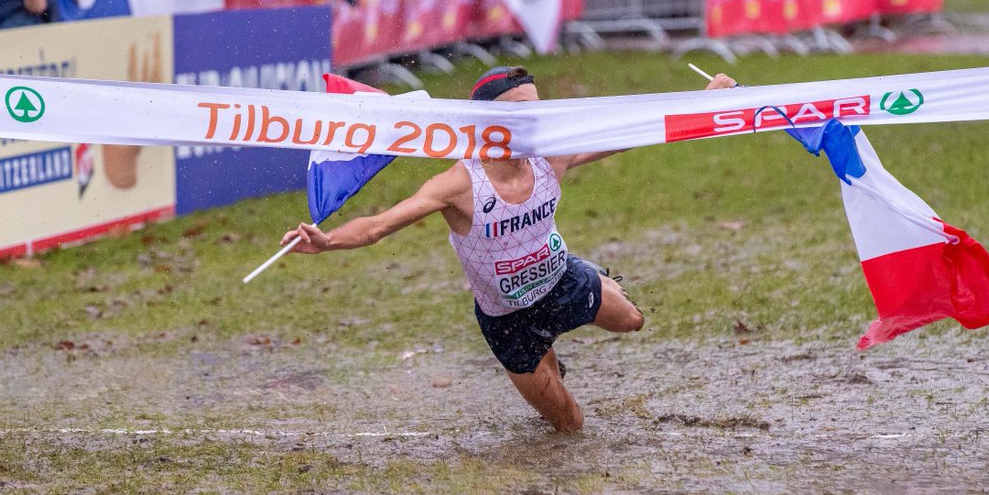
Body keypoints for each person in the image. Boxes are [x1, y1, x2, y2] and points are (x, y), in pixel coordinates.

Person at [281, 67, 739, 433]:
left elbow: (635, 131)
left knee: (633, 322)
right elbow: (378, 226)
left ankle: (585, 289)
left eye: (536, 110)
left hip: (563, 281)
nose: (534, 121)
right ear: (488, 123)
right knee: (569, 427)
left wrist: (705, 100)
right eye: (521, 112)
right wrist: (326, 242)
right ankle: (545, 353)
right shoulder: (457, 185)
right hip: (509, 322)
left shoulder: (552, 155)